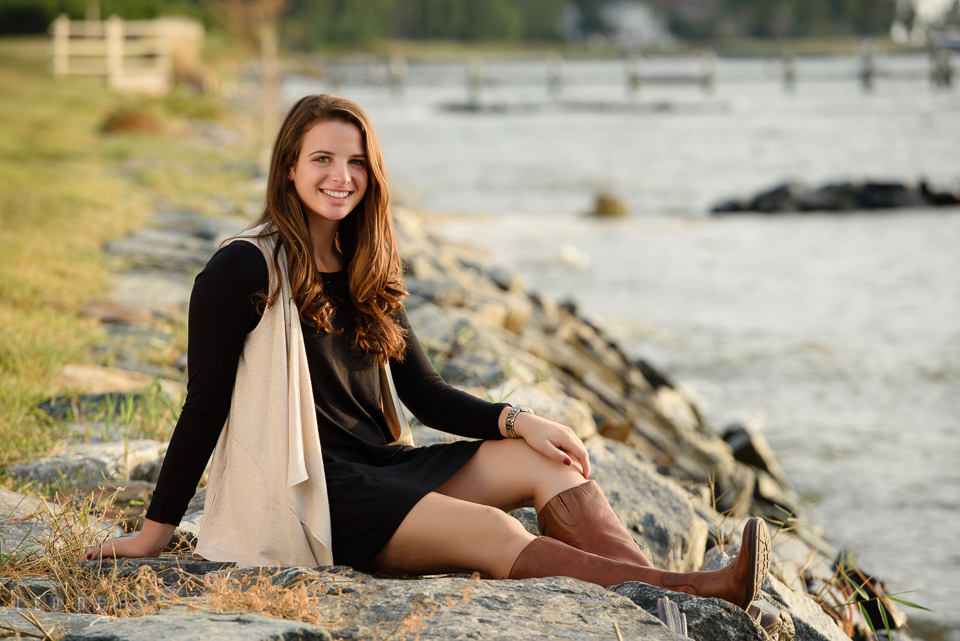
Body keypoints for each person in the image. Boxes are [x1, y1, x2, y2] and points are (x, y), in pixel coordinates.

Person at [84, 94, 769, 609]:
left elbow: (427, 394)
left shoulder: (364, 266)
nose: (340, 176)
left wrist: (518, 418)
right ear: (289, 169)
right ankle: (694, 592)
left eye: (355, 161)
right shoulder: (242, 267)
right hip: (319, 496)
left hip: (385, 467)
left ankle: (666, 591)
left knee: (545, 459)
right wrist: (155, 530)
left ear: (372, 173)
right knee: (493, 531)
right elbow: (203, 402)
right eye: (322, 158)